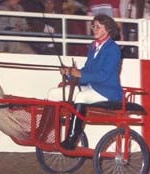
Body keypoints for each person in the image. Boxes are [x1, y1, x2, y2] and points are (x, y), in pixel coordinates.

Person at [46, 14, 122, 150]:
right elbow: (87, 70)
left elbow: (103, 75)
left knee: (81, 96)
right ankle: (47, 134)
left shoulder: (113, 49)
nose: (94, 29)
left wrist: (79, 74)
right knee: (53, 93)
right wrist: (70, 73)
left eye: (98, 27)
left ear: (108, 30)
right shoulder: (93, 47)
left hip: (106, 91)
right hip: (90, 88)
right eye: (93, 26)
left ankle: (71, 140)